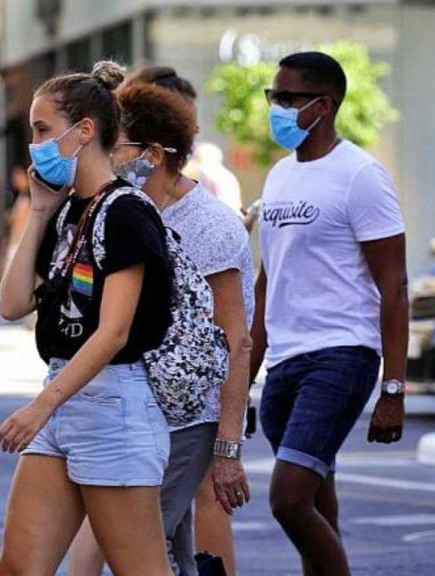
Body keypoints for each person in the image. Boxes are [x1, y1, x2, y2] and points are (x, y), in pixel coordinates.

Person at [68, 69, 255, 576]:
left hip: (190, 416)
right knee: (165, 551)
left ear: (151, 152)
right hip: (136, 407)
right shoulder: (123, 209)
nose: (108, 156)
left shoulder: (209, 224)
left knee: (127, 546)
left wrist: (227, 449)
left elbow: (237, 341)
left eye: (117, 146)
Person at [0, 62, 174, 576]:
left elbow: (114, 332)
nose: (35, 144)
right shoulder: (68, 211)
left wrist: (39, 408)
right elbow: (11, 305)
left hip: (112, 405)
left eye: (43, 129)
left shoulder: (126, 212)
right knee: (19, 569)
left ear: (85, 131)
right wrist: (38, 212)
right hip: (64, 397)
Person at [248, 52, 408, 576]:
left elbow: (394, 285)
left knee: (289, 499)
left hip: (341, 355)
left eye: (290, 99)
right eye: (274, 97)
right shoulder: (277, 176)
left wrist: (393, 389)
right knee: (316, 503)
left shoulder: (361, 175)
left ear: (325, 104)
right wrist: (242, 379)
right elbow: (268, 280)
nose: (278, 108)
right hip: (285, 363)